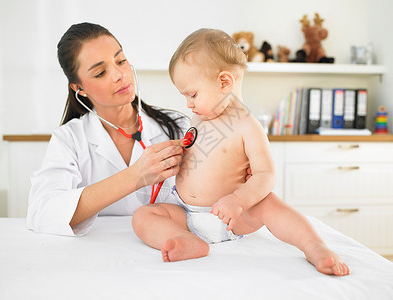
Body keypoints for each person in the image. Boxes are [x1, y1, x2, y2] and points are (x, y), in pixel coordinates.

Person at [132, 28, 350, 276]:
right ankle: (185, 240)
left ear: (224, 82)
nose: (188, 104)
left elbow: (265, 174)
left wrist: (238, 200)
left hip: (232, 218)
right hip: (187, 214)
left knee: (269, 205)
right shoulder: (199, 116)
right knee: (143, 216)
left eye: (192, 94)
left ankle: (315, 247)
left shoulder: (247, 126)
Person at [27, 22, 189, 236]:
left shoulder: (178, 126)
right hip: (101, 256)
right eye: (101, 72)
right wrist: (135, 176)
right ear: (79, 89)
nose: (119, 75)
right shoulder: (69, 139)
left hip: (170, 248)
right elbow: (42, 213)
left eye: (121, 61)